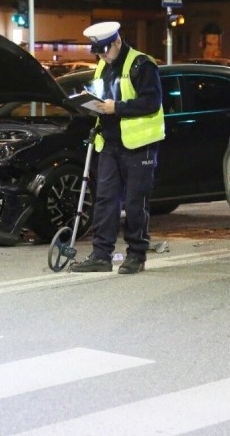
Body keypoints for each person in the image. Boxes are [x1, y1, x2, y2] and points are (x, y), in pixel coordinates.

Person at [69, 21, 165, 275]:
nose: (101, 56)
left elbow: (151, 103)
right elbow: (102, 99)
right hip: (110, 143)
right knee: (105, 201)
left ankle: (136, 255)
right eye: (97, 51)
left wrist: (117, 108)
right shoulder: (103, 65)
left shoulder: (142, 64)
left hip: (139, 145)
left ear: (117, 42)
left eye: (104, 50)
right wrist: (91, 106)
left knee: (136, 202)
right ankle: (101, 255)